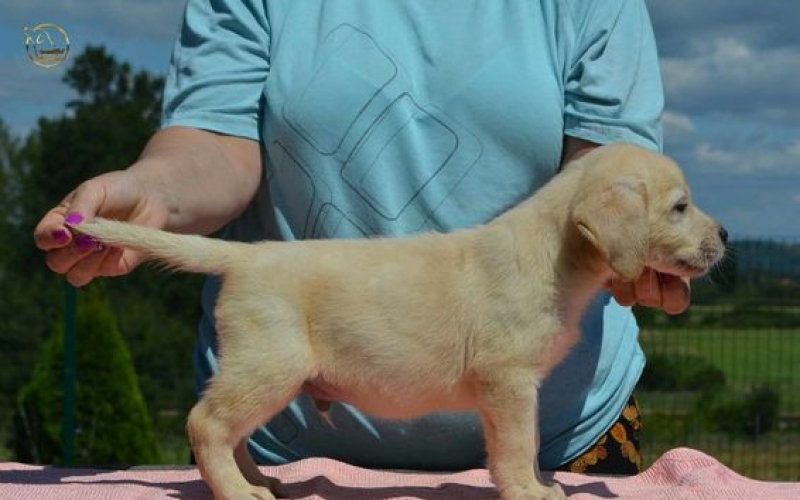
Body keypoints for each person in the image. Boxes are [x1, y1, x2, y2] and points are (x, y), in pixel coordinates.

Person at [35, 0, 690, 475]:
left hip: (563, 438)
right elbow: (215, 137)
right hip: (280, 445)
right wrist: (155, 193)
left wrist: (627, 246)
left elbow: (609, 176)